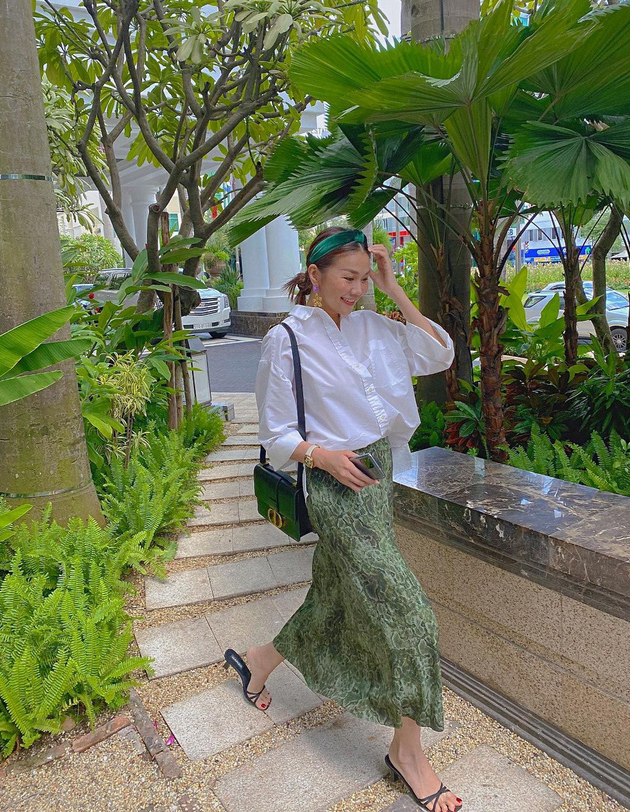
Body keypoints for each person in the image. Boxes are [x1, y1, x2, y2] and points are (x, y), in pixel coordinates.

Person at [224, 227, 462, 812]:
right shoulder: (286, 340)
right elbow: (276, 433)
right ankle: (408, 754)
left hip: (377, 475)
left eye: (363, 278)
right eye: (346, 278)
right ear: (315, 274)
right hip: (334, 483)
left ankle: (257, 662)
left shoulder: (373, 325)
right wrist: (321, 455)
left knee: (331, 596)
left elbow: (439, 354)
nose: (355, 290)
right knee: (410, 616)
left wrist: (394, 288)